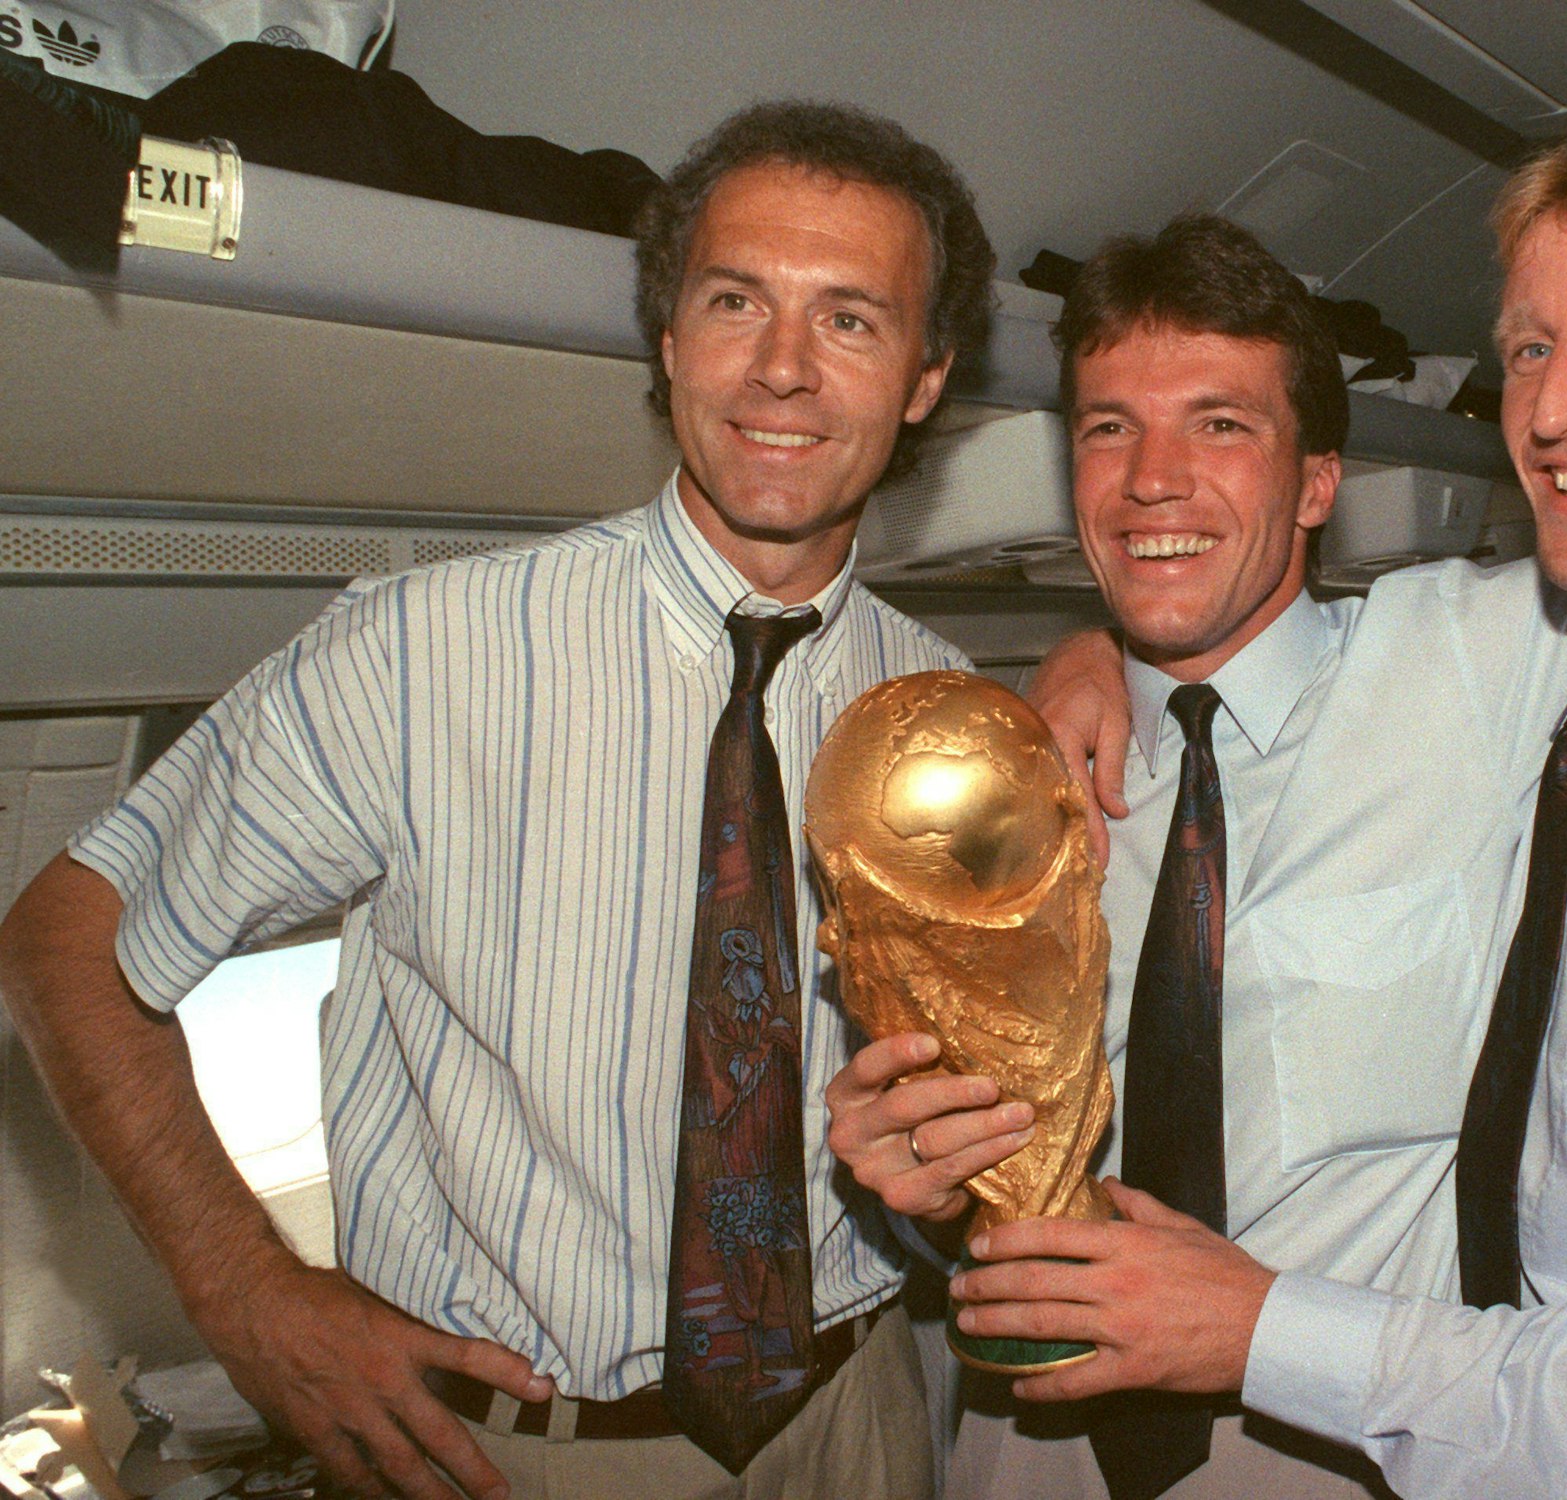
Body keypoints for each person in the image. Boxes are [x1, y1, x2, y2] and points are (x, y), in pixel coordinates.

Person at [823, 201, 1567, 1496]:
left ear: (1319, 479)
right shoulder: (997, 791)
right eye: (1111, 429)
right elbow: (973, 1189)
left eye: (1221, 423)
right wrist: (916, 1199)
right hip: (1027, 1449)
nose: (1154, 478)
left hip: (1348, 1440)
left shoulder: (1485, 661)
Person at [0, 99, 994, 1500]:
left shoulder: (957, 715)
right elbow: (65, 940)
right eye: (734, 302)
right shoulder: (418, 652)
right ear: (667, 342)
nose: (781, 370)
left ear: (927, 376)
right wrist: (242, 1293)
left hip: (861, 1417)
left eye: (850, 320)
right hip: (515, 1453)